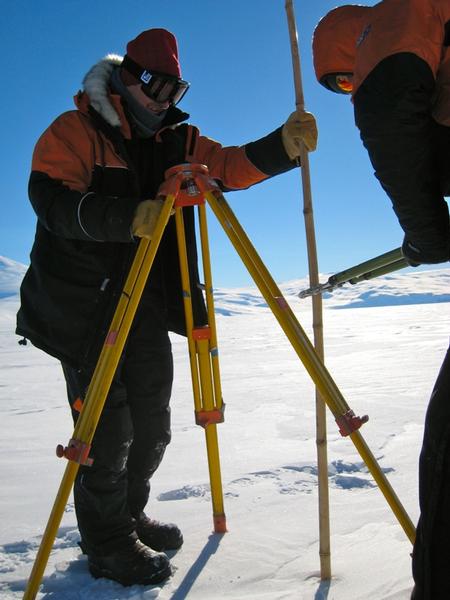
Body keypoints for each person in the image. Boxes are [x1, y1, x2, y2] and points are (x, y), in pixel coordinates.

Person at [16, 28, 317, 587]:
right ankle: (106, 544)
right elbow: (51, 202)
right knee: (105, 432)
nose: (164, 101)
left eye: (176, 91)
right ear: (127, 78)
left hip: (146, 304)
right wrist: (124, 217)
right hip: (83, 309)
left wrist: (283, 147)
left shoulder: (178, 141)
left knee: (152, 424)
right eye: (157, 86)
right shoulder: (74, 130)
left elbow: (227, 166)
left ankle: (127, 516)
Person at [312, 2, 450, 598]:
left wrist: (425, 229)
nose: (350, 88)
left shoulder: (399, 16)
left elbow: (386, 101)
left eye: (343, 78)